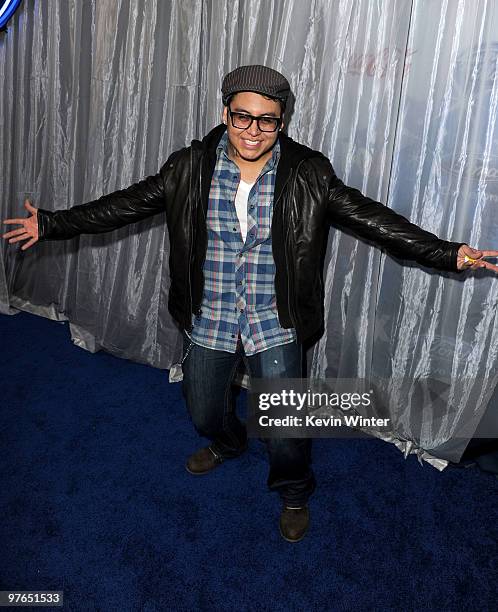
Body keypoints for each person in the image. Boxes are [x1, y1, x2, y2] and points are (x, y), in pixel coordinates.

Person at [3, 65, 498, 543]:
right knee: (202, 410)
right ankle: (228, 441)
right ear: (225, 113)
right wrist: (51, 223)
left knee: (285, 429)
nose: (253, 131)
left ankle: (294, 492)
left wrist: (448, 253)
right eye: (243, 116)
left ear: (281, 121)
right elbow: (125, 204)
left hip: (274, 318)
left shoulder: (308, 173)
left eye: (267, 120)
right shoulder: (189, 167)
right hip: (210, 313)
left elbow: (373, 218)